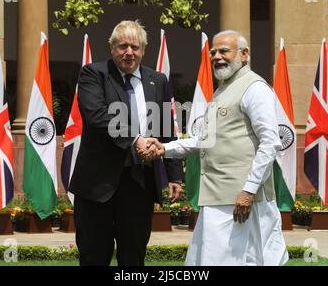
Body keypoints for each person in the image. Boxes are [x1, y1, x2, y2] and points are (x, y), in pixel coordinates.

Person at [140, 30, 289, 266]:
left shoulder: (254, 88)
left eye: (224, 51)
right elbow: (204, 141)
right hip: (218, 199)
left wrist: (249, 191)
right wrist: (164, 149)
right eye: (213, 52)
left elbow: (270, 143)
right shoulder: (223, 90)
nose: (217, 57)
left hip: (242, 201)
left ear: (244, 54)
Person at [69, 20, 183, 266]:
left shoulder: (158, 80)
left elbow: (165, 128)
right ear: (112, 48)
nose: (129, 52)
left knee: (134, 257)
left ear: (143, 50)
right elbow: (96, 115)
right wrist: (135, 139)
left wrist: (174, 175)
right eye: (122, 46)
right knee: (93, 256)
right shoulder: (93, 74)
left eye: (134, 47)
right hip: (97, 185)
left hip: (139, 183)